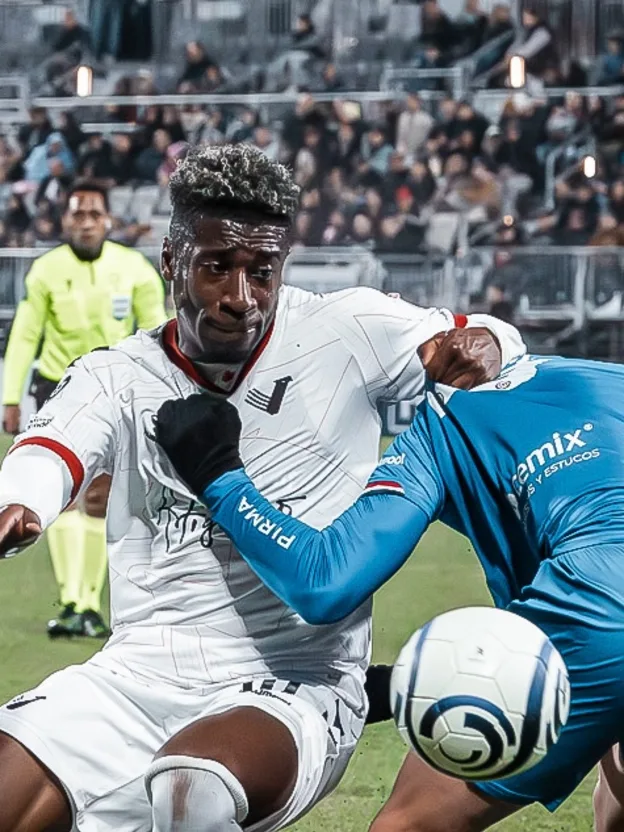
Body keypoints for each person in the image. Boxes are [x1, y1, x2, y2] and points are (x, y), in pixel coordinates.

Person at [0, 144, 523, 832]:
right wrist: (22, 504)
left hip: (294, 681)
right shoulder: (117, 373)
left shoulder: (346, 329)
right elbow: (48, 450)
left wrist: (486, 345)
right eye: (216, 267)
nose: (240, 298)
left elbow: (490, 337)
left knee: (194, 788)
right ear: (171, 262)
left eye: (262, 271)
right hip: (132, 676)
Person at [158, 351, 624, 832]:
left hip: (601, 600)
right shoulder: (602, 373)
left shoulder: (442, 421)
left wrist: (218, 476)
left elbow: (325, 581)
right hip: (605, 603)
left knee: (407, 823)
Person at [2, 180, 166, 639]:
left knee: (99, 498)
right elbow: (25, 335)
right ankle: (74, 599)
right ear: (65, 220)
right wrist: (11, 395)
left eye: (95, 213)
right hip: (56, 389)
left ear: (108, 219)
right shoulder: (46, 271)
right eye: (78, 214)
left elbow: (157, 333)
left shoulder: (133, 270)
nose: (87, 222)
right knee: (61, 496)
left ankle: (88, 604)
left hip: (115, 393)